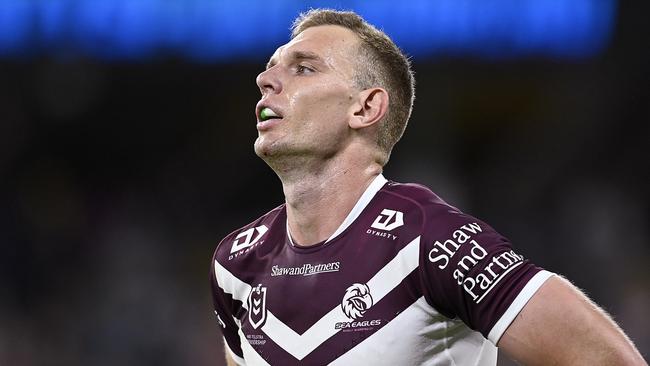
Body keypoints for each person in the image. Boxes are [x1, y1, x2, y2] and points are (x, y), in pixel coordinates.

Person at [209, 9, 646, 366]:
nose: (265, 80)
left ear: (365, 108)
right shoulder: (236, 264)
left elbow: (606, 359)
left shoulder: (431, 239)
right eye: (269, 69)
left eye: (303, 68)